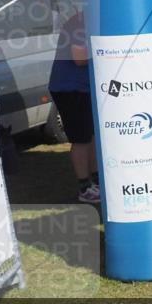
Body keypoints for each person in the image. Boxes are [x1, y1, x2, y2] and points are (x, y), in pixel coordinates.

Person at [48, 11, 99, 203]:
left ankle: (96, 180)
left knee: (91, 135)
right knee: (81, 139)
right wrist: (105, 50)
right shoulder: (79, 23)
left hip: (83, 87)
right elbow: (79, 58)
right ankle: (85, 188)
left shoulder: (89, 20)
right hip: (70, 88)